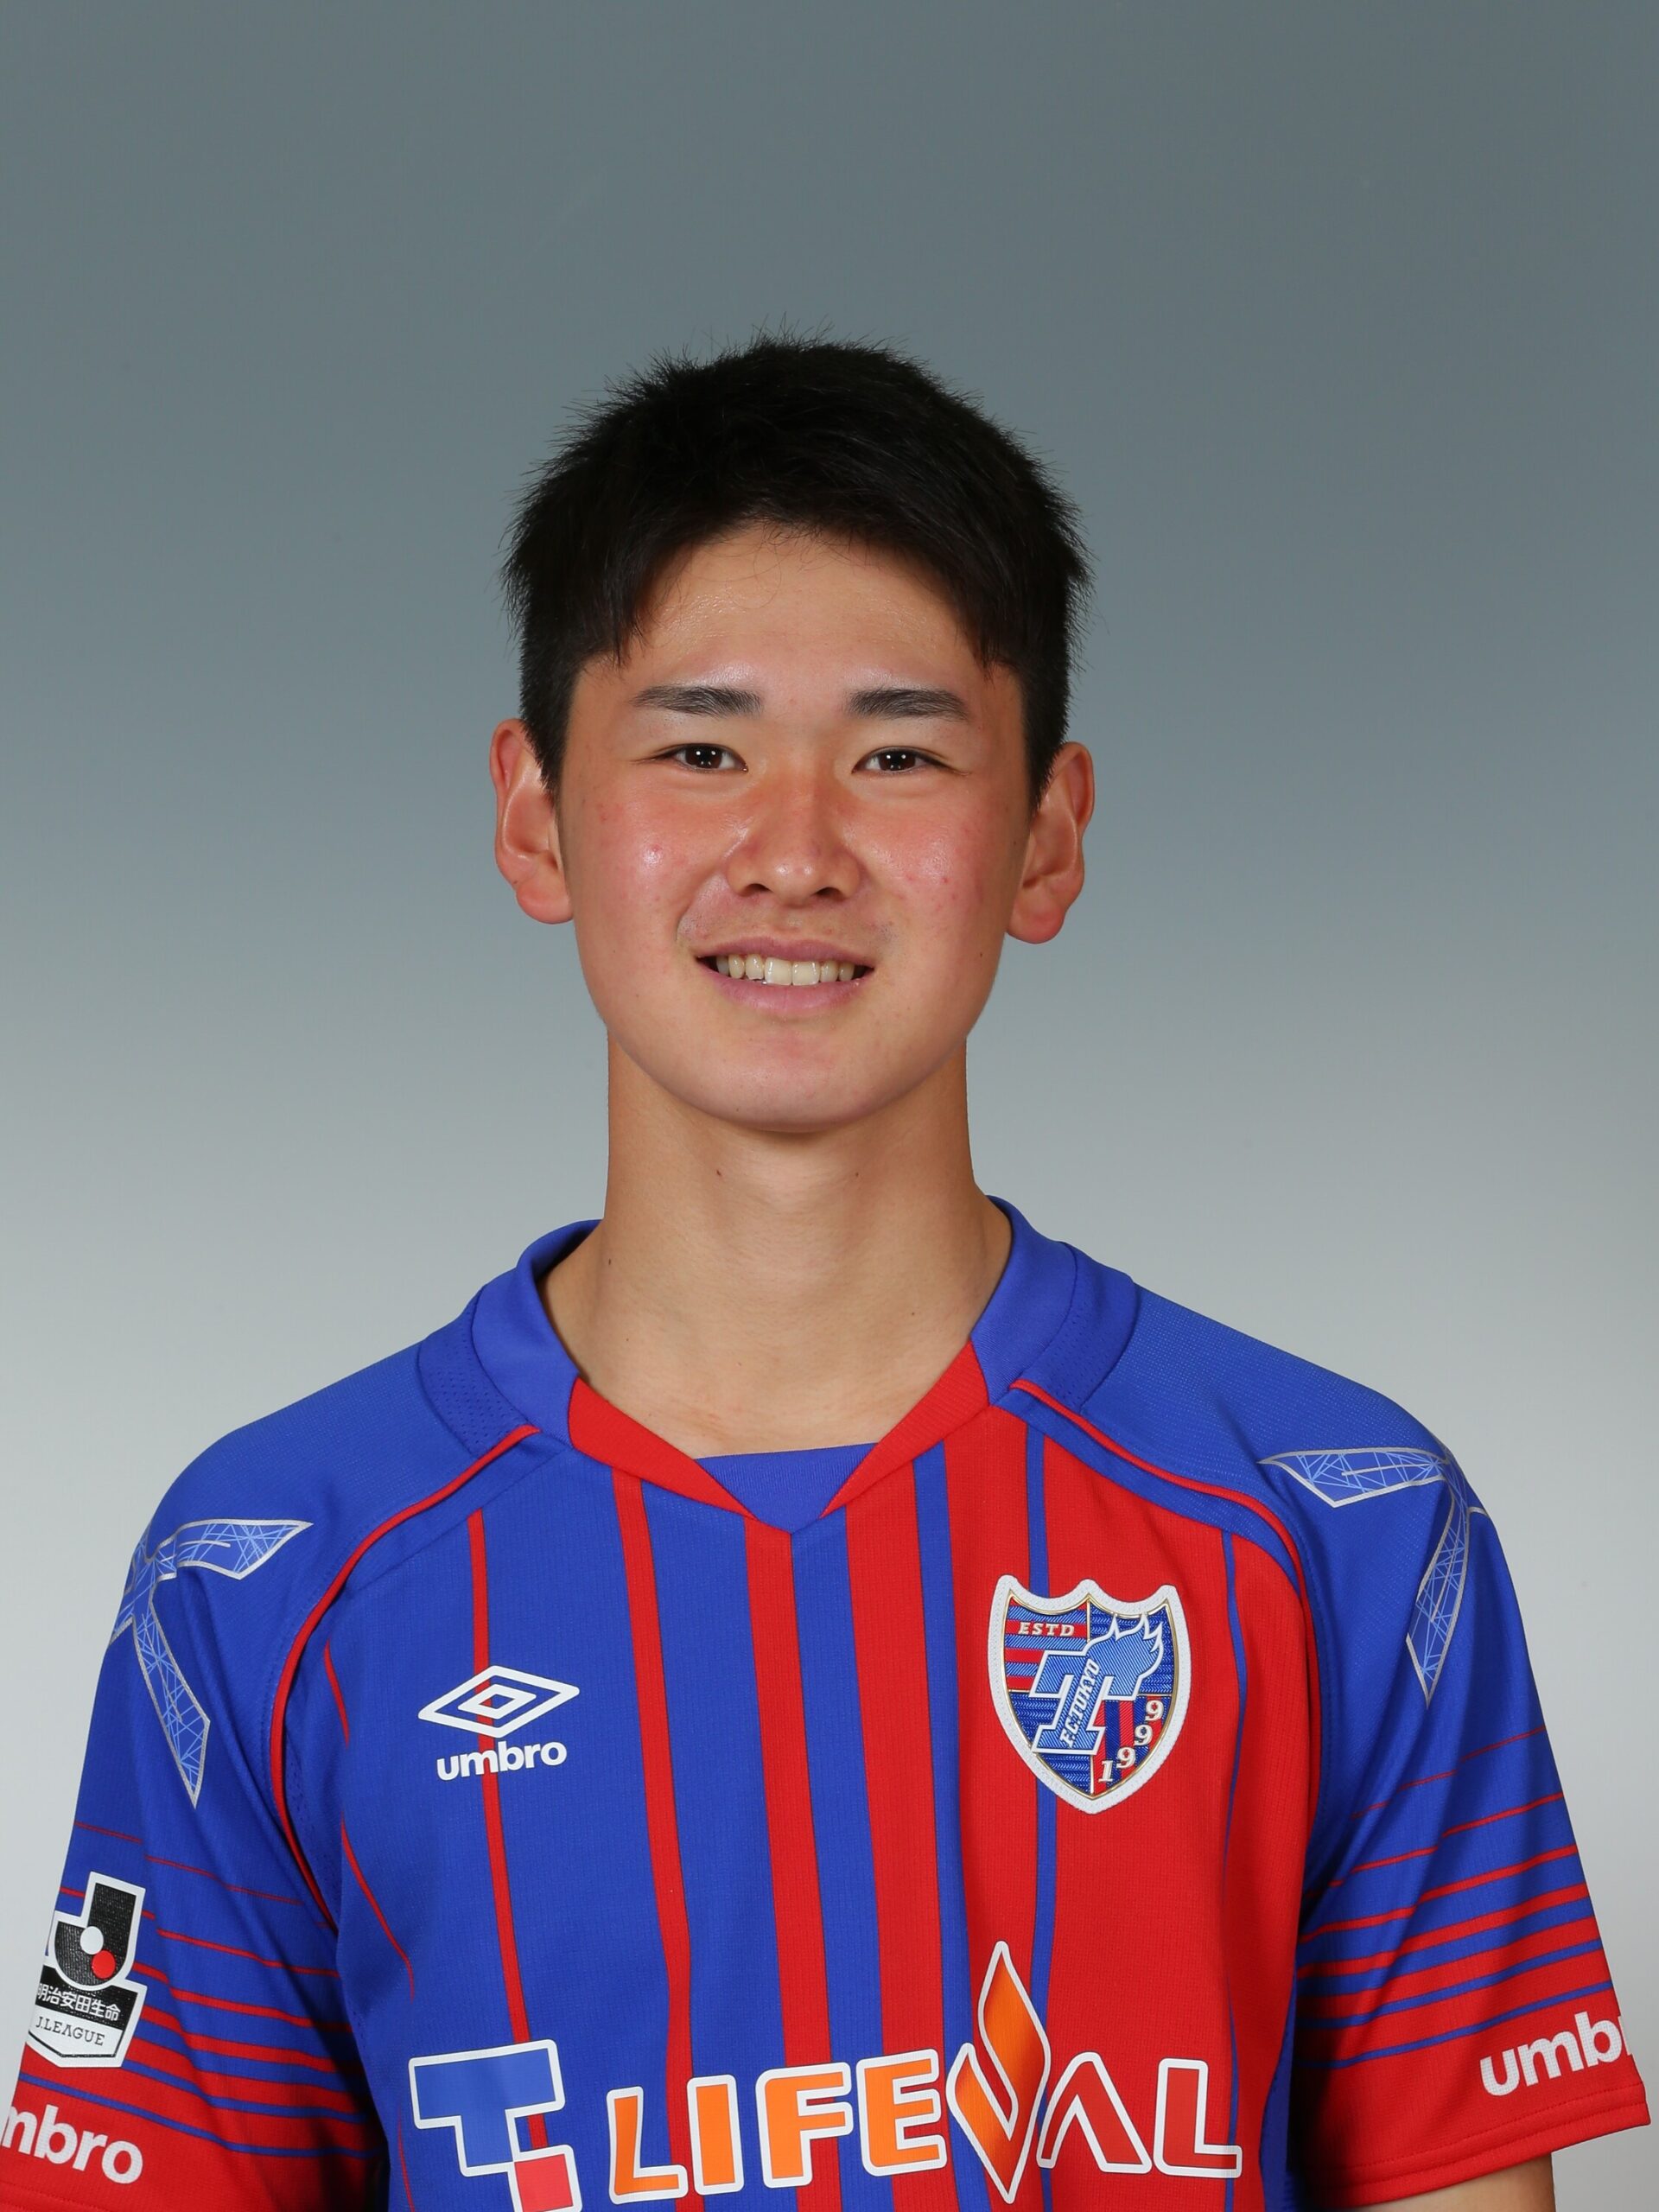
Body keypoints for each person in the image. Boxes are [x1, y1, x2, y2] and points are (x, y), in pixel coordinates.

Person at [3, 332, 1646, 2212]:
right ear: (536, 817)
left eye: (897, 755)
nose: (793, 852)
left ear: (1047, 837)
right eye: (701, 749)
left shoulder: (1337, 1522)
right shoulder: (270, 1567)